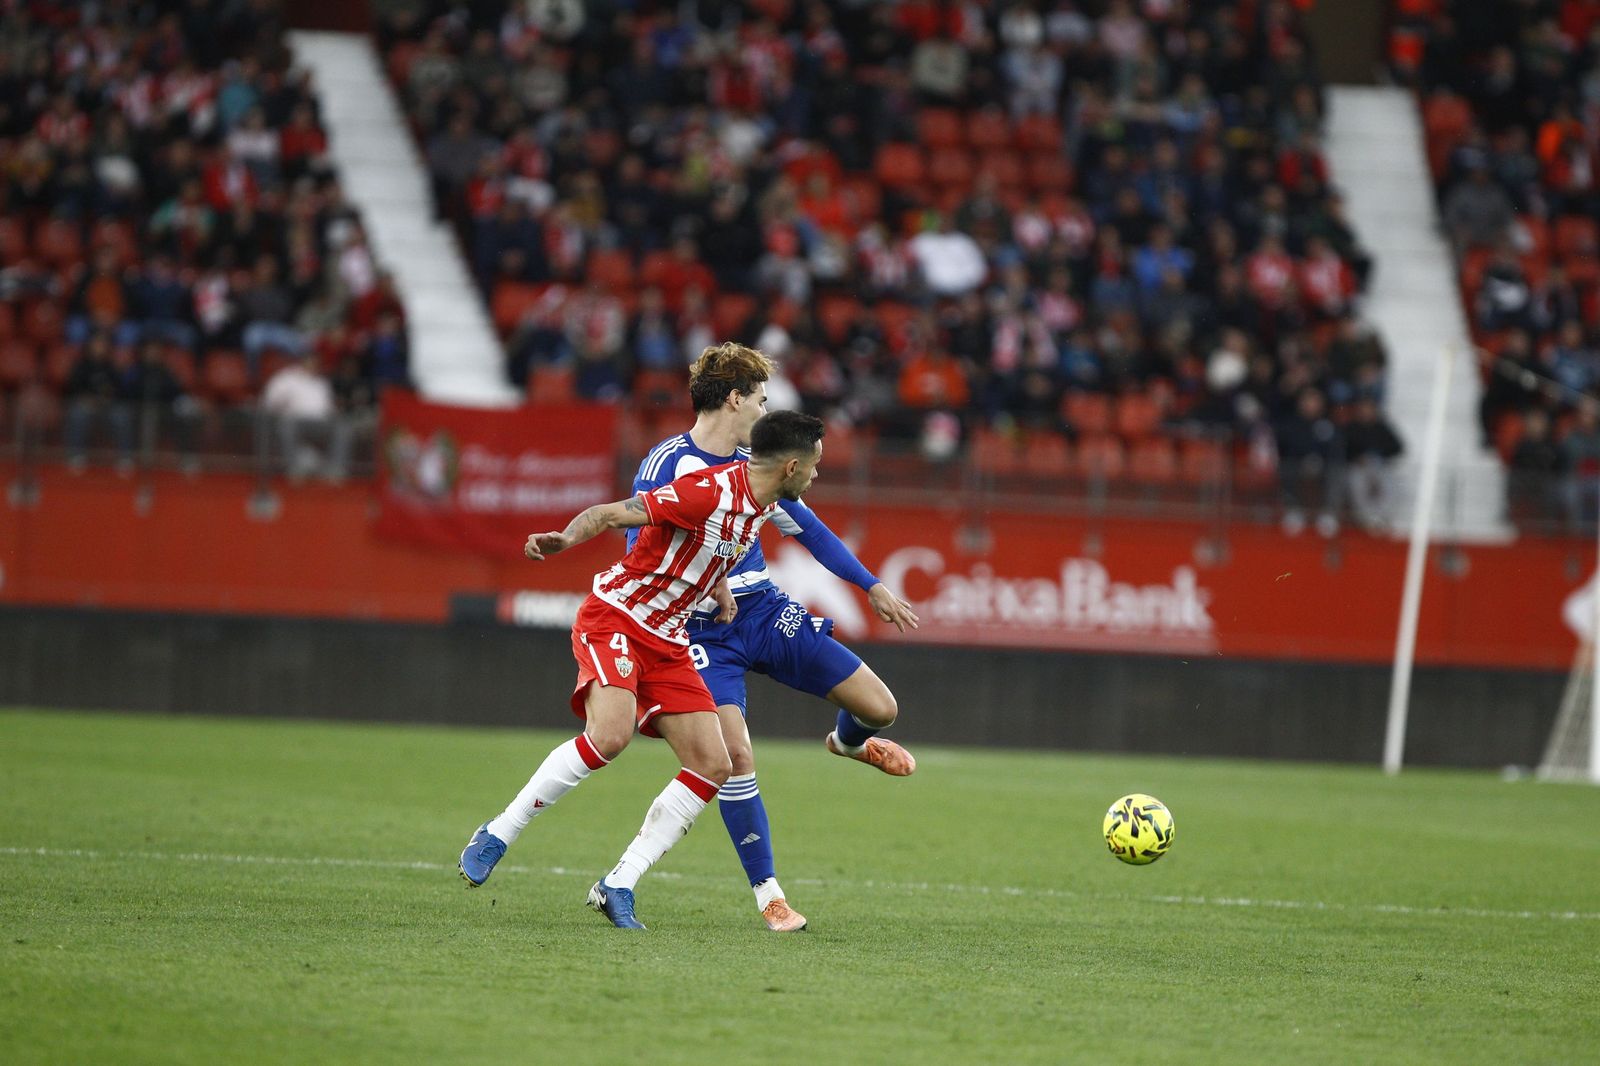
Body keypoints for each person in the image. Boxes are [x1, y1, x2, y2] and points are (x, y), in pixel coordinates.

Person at [458, 410, 831, 931]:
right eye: (814, 465)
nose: (816, 475)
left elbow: (709, 546)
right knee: (610, 736)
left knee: (714, 764)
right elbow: (614, 513)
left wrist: (718, 585)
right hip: (617, 616)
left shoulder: (761, 505)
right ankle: (499, 832)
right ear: (791, 467)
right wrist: (565, 538)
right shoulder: (707, 489)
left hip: (670, 639)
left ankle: (619, 883)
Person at [630, 342, 919, 933]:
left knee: (880, 709)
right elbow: (640, 546)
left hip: (763, 610)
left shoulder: (755, 465)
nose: (766, 409)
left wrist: (871, 586)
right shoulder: (669, 464)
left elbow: (809, 529)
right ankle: (770, 896)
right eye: (761, 398)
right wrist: (703, 584)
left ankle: (848, 744)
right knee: (736, 758)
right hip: (702, 630)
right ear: (735, 399)